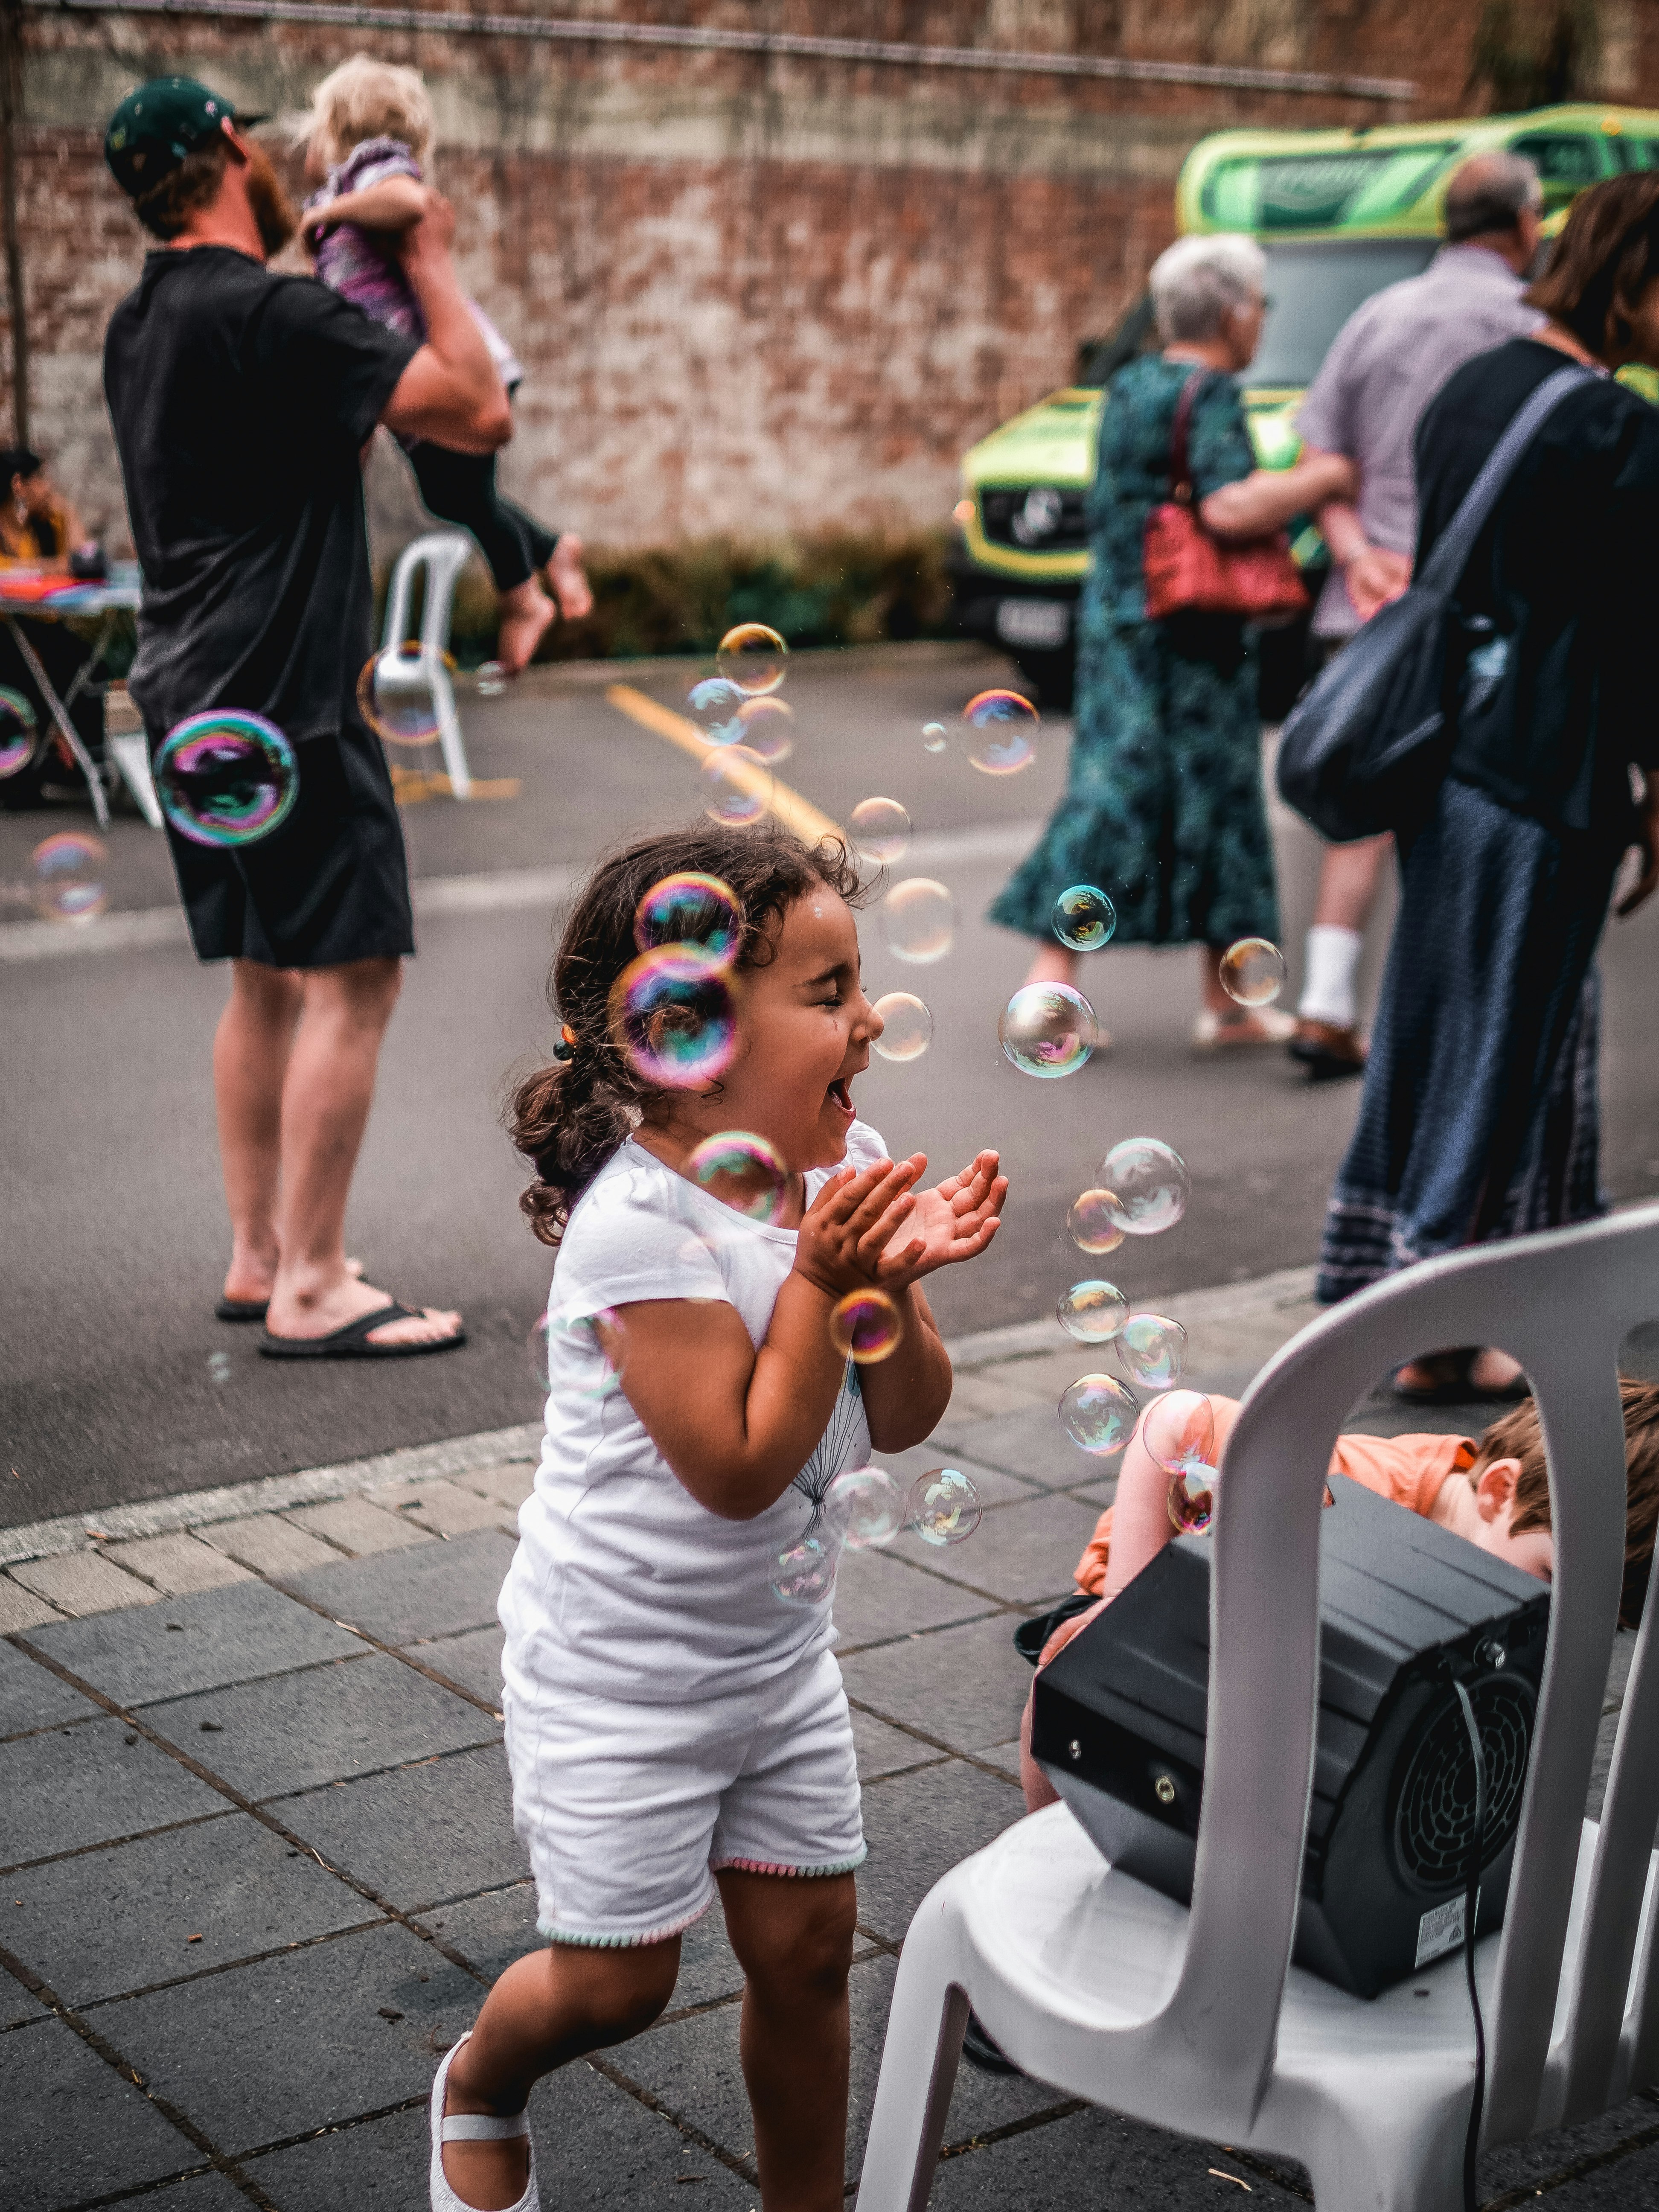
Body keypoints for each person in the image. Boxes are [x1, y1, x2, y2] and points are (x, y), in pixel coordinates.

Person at [431, 821, 1007, 2212]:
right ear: (688, 1030)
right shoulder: (637, 1227)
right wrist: (825, 1275)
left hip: (770, 1660)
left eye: (856, 983)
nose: (867, 1020)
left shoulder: (843, 1155)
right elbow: (740, 1464)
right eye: (826, 994)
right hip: (615, 1676)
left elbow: (911, 1409)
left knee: (809, 1951)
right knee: (617, 1982)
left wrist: (886, 1285)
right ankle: (477, 2081)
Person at [102, 76, 511, 1355]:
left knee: (266, 979)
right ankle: (318, 1283)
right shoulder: (274, 312)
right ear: (228, 150)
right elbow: (473, 403)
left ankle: (258, 1256)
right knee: (357, 976)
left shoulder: (143, 322)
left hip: (187, 697)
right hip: (286, 692)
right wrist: (430, 250)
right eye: (257, 139)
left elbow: (279, 460)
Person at [1316, 171, 1659, 1403]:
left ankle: (1468, 1293)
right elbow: (1635, 636)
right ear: (1632, 281)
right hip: (1548, 770)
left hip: (1447, 756)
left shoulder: (1476, 387)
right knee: (1519, 1032)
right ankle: (1446, 1306)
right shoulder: (1616, 426)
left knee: (1460, 1011)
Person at [989, 233, 1354, 1051]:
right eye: (1258, 303)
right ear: (1230, 312)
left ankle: (1183, 996)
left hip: (1119, 626)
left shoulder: (1125, 385)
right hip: (1194, 642)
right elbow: (1226, 509)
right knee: (1208, 800)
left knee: (1117, 791)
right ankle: (1141, 995)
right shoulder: (1212, 390)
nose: (1260, 318)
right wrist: (1324, 479)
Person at [1017, 1374, 1659, 1817]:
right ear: (1495, 1491)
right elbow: (1178, 1419)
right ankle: (1042, 1869)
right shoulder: (1354, 1489)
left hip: (1273, 1626)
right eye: (1549, 1580)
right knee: (1070, 1687)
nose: (1547, 1622)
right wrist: (1129, 1605)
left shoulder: (1494, 1537)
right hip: (1166, 1595)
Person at [1287, 152, 1545, 1081]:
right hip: (1482, 626)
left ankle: (1323, 1000)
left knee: (1367, 805)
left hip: (1368, 610)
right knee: (1466, 822)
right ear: (1523, 225)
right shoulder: (1531, 332)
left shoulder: (1376, 316)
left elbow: (1327, 464)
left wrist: (1356, 555)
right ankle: (1445, 1026)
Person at [296, 53, 593, 674]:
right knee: (454, 493)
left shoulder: (373, 166)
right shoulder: (342, 182)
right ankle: (551, 553)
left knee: (460, 492)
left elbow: (411, 202)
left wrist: (328, 214)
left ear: (341, 123)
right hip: (411, 371)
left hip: (446, 363)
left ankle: (525, 600)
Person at [0, 446, 89, 569]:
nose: (48, 488)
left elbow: (83, 561)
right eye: (41, 478)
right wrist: (55, 567)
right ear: (18, 484)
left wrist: (69, 512)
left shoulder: (48, 522)